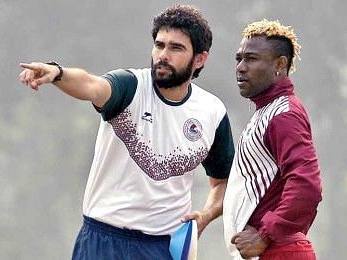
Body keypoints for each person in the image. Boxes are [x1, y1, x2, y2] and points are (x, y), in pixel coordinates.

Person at [18, 4, 235, 260]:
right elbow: (91, 85)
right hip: (102, 240)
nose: (163, 54)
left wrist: (206, 215)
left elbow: (223, 181)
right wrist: (58, 73)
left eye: (176, 48)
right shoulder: (130, 86)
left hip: (163, 248)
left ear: (200, 59)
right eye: (159, 45)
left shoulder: (212, 111)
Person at [223, 19, 322, 260]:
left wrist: (265, 235)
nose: (241, 67)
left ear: (280, 64)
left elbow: (306, 185)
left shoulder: (284, 114)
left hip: (279, 251)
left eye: (251, 59)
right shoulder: (266, 112)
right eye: (239, 59)